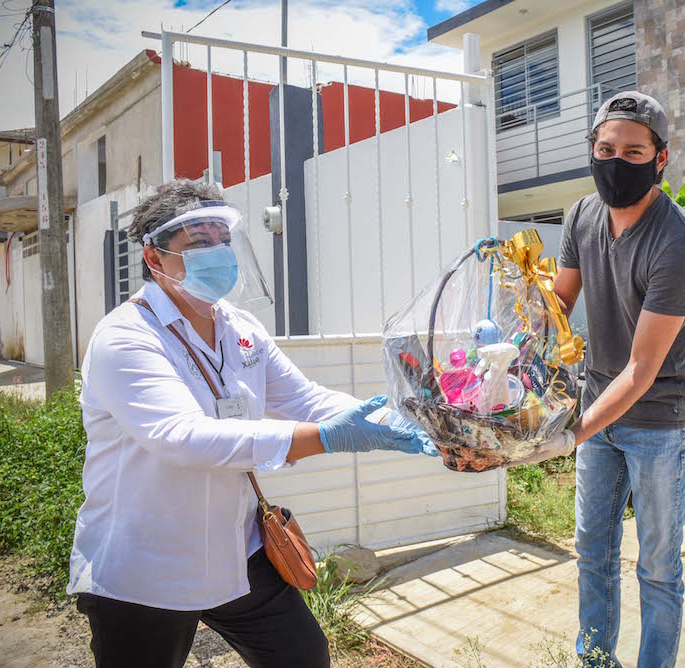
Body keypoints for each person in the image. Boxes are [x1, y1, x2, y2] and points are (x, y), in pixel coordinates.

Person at [67, 179, 436, 668]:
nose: (217, 253)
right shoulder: (124, 337)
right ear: (155, 259)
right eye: (198, 243)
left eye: (223, 239)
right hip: (146, 569)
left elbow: (305, 399)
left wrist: (406, 422)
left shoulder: (241, 328)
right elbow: (184, 439)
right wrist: (324, 439)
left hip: (236, 550)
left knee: (303, 656)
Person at [553, 92, 685, 667]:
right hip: (597, 407)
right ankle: (595, 661)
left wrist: (572, 433)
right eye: (606, 148)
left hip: (657, 421)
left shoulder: (676, 241)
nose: (617, 161)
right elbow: (558, 304)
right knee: (592, 551)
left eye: (634, 151)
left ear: (660, 159)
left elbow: (643, 371)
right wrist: (514, 342)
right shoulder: (581, 215)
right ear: (592, 151)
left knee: (658, 567)